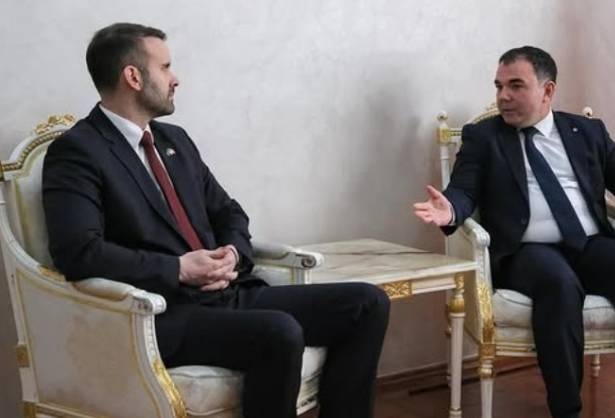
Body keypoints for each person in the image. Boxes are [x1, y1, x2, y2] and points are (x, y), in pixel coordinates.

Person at [42, 22, 389, 418]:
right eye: (165, 67)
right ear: (133, 77)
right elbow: (78, 252)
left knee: (367, 304)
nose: (176, 79)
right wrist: (178, 269)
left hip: (227, 292)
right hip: (162, 313)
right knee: (280, 331)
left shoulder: (174, 141)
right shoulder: (77, 151)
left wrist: (232, 255)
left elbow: (229, 212)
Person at [413, 46, 615, 418]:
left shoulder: (587, 131)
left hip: (589, 243)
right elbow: (464, 189)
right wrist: (450, 209)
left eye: (515, 86)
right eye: (498, 86)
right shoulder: (485, 137)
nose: (503, 96)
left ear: (547, 91)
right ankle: (566, 411)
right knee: (559, 284)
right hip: (526, 251)